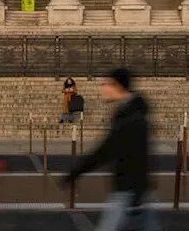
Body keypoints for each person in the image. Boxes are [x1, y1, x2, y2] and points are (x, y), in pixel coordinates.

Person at [64, 68, 158, 231]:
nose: (103, 88)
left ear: (118, 86)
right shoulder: (129, 113)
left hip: (128, 190)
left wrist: (76, 172)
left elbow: (106, 151)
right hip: (133, 190)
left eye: (107, 84)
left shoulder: (130, 119)